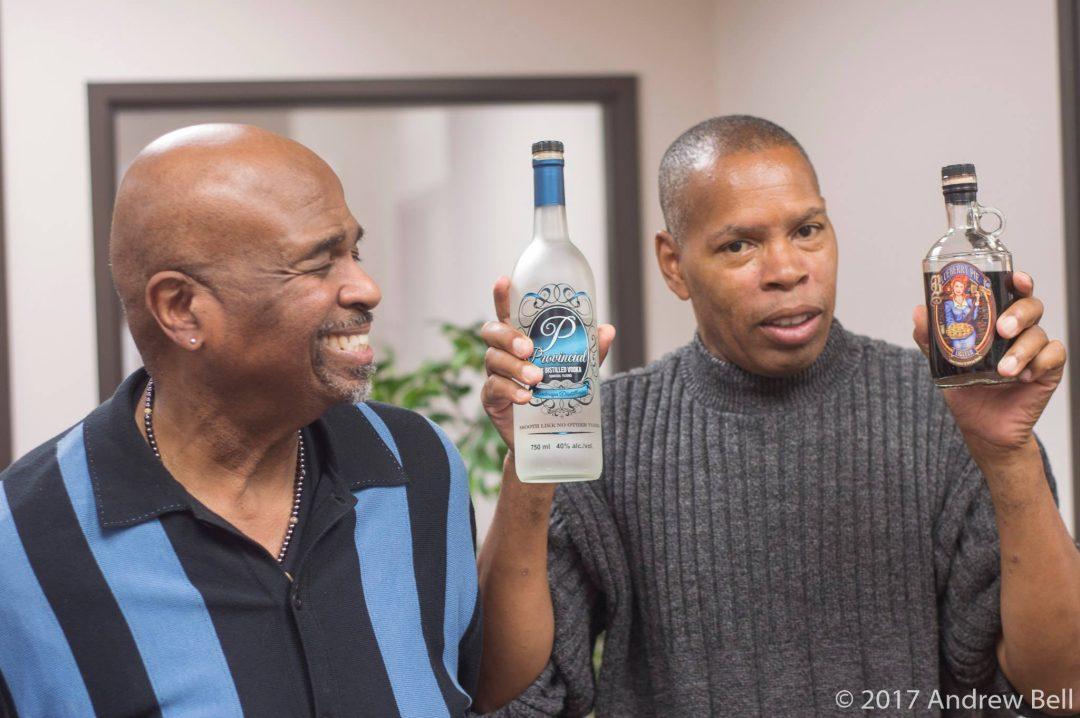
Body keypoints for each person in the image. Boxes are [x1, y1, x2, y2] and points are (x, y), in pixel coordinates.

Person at [474, 116, 1080, 717]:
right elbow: (502, 691)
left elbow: (1060, 691)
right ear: (674, 264)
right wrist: (532, 458)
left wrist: (1009, 457)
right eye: (739, 245)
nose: (788, 270)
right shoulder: (606, 430)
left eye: (807, 230)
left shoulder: (943, 412)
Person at [0, 125, 480, 717]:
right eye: (318, 263)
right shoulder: (19, 547)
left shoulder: (415, 463)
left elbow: (480, 687)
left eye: (353, 252)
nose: (366, 288)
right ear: (182, 308)